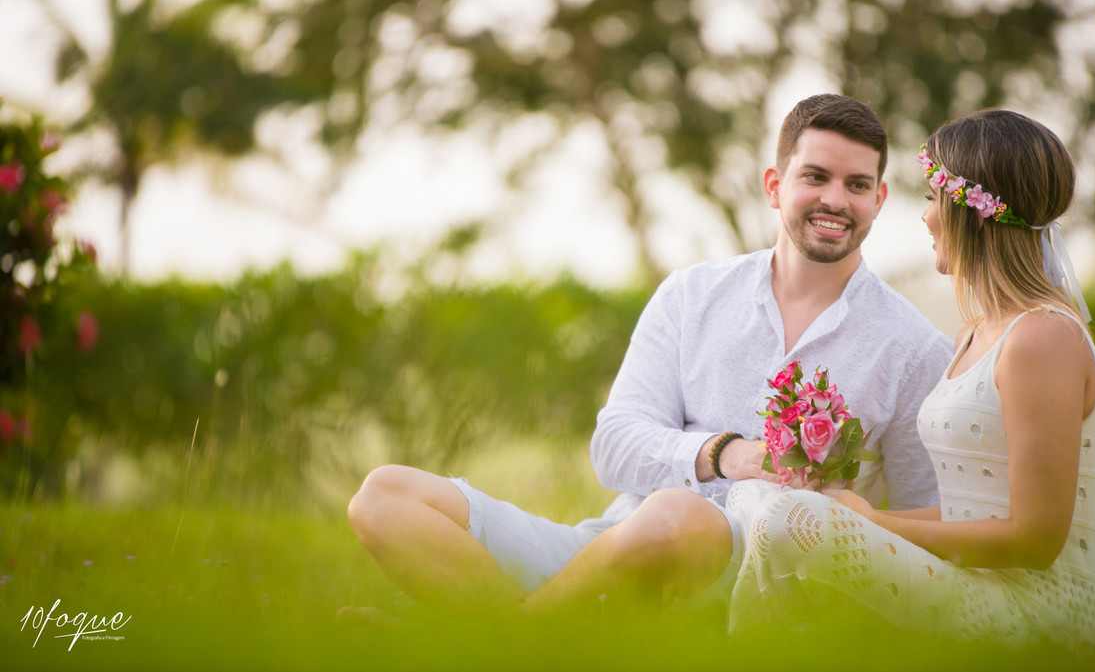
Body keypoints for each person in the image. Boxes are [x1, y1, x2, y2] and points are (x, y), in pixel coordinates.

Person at [345, 94, 952, 615]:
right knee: (384, 495)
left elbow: (926, 520)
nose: (836, 200)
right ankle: (545, 633)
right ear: (775, 185)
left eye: (857, 185)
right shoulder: (692, 294)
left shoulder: (914, 347)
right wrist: (725, 454)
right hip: (610, 544)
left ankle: (496, 647)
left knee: (676, 515)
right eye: (815, 177)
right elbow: (613, 446)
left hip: (759, 585)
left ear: (879, 198)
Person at [726, 109, 1095, 649]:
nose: (926, 217)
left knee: (794, 522)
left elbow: (1035, 541)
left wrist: (870, 523)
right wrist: (856, 513)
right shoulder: (975, 334)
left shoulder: (1043, 338)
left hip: (1036, 610)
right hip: (975, 579)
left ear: (974, 211)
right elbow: (971, 510)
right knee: (762, 501)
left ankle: (741, 653)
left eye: (934, 198)